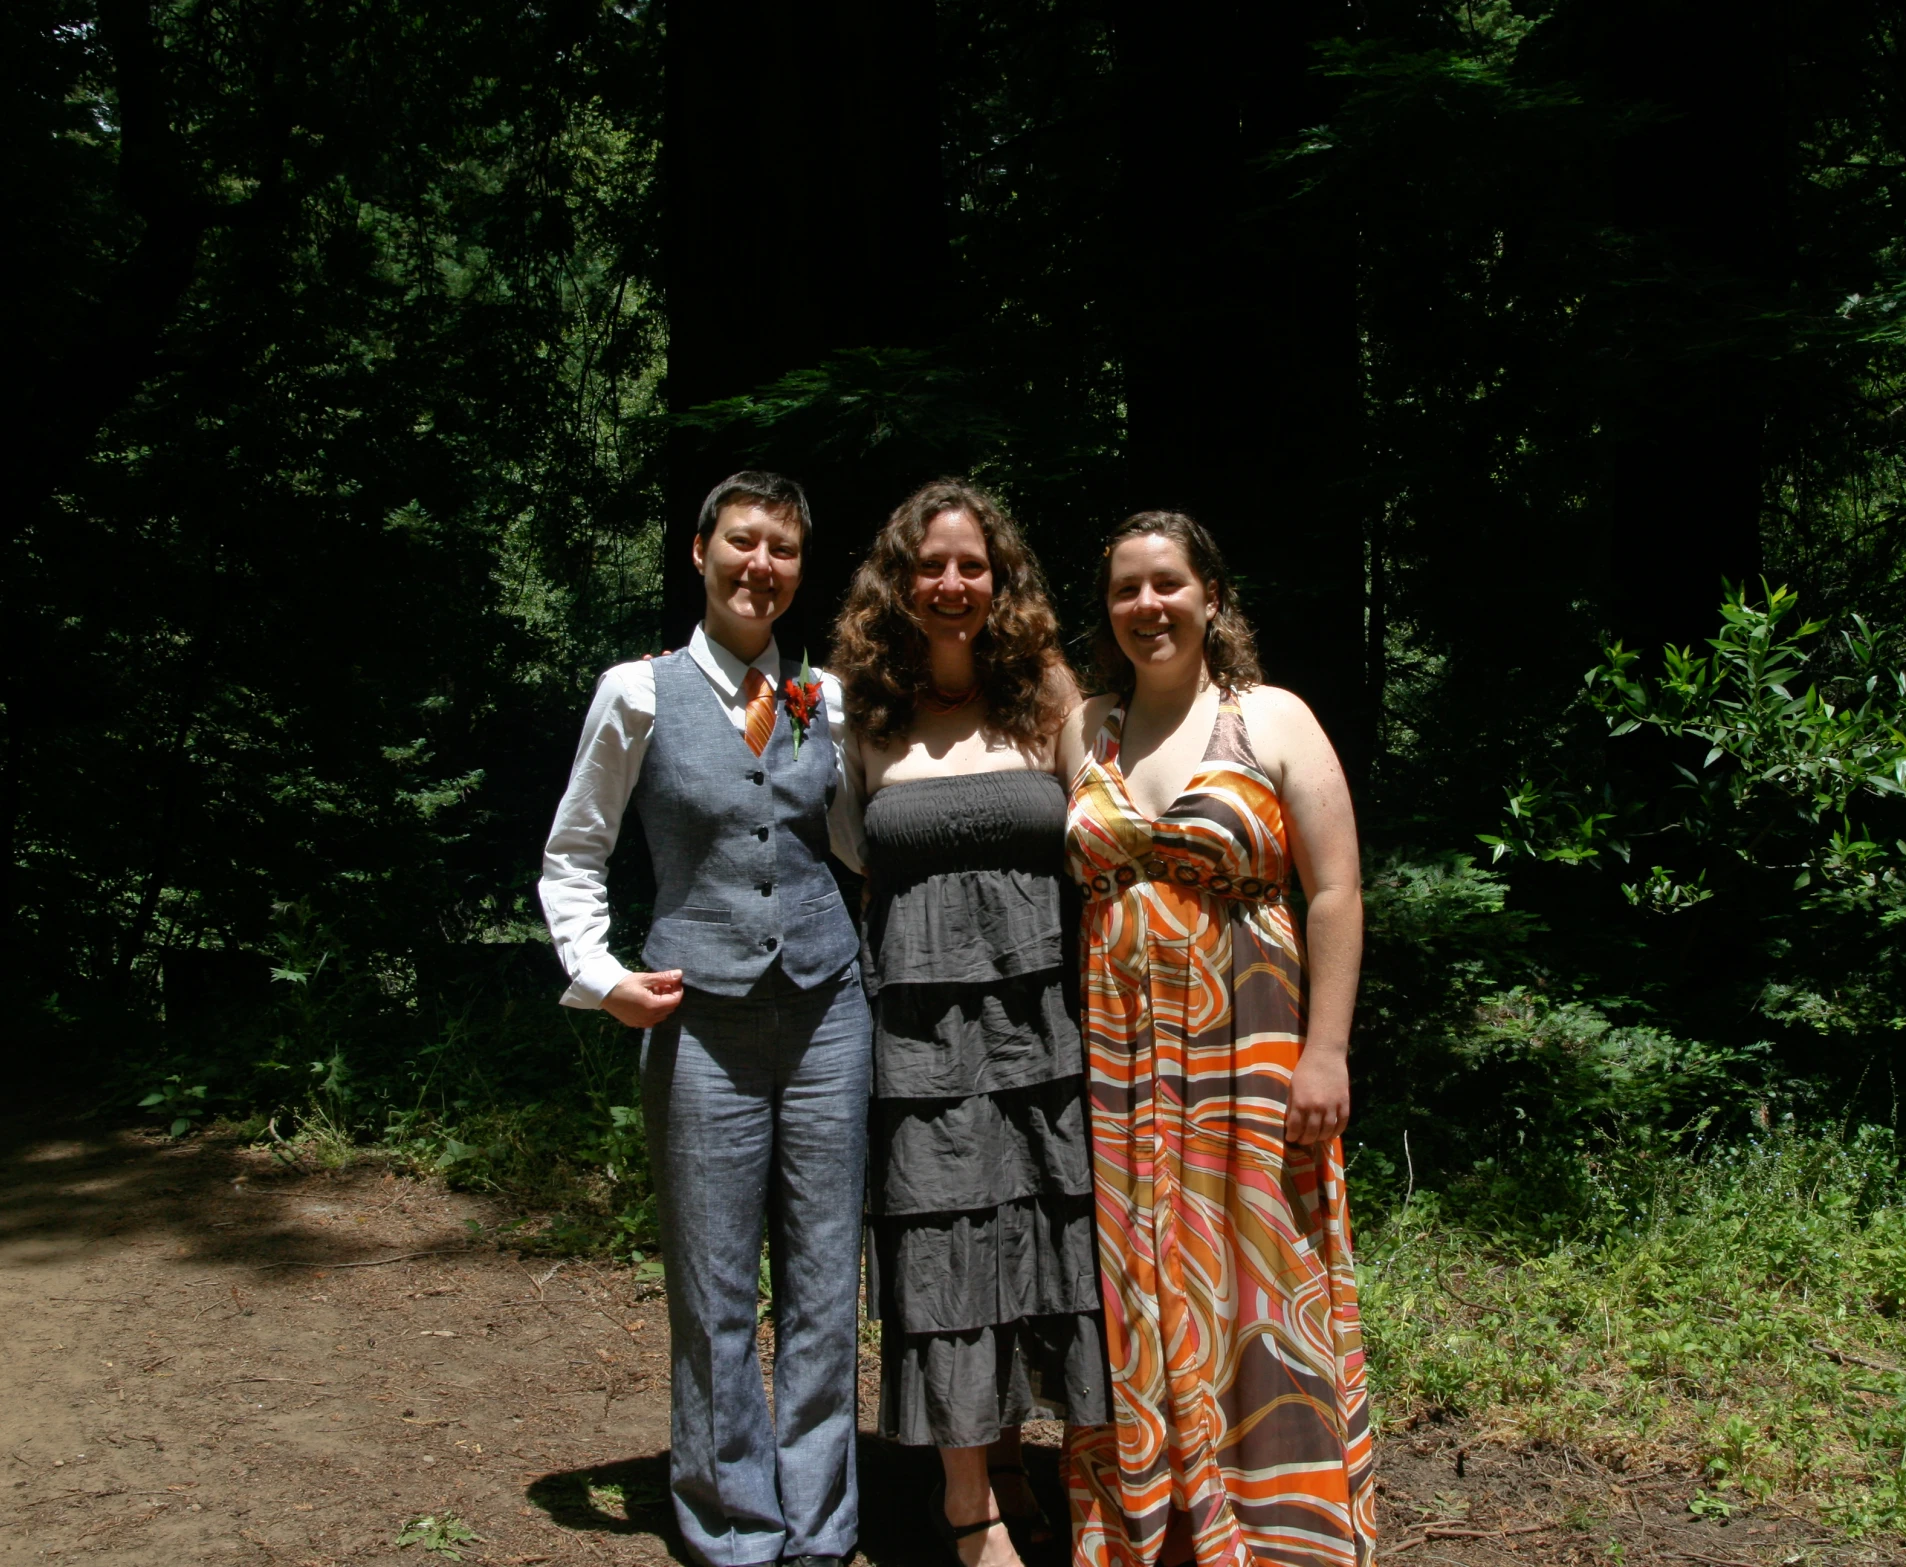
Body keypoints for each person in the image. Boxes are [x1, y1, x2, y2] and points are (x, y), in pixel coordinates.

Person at [538, 470, 869, 1567]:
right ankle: (733, 1526)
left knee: (825, 1282)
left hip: (829, 1014)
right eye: (741, 541)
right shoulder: (637, 691)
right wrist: (602, 975)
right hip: (698, 1024)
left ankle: (819, 1531)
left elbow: (857, 847)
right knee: (715, 1283)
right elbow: (574, 851)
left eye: (781, 548)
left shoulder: (827, 698)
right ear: (698, 551)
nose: (759, 564)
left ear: (797, 570)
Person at [1057, 512, 1376, 1567]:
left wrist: (1325, 1051)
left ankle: (1285, 1533)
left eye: (1167, 584)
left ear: (1210, 597)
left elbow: (1333, 890)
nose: (1147, 606)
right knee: (1135, 1281)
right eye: (1125, 590)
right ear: (1107, 611)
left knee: (1260, 1278)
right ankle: (1162, 1529)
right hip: (1119, 1059)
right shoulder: (1084, 728)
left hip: (1253, 1049)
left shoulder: (1270, 717)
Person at [831, 479, 1106, 1567]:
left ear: (1002, 580)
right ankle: (967, 1506)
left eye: (971, 565)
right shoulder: (866, 708)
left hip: (1046, 1021)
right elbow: (848, 855)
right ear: (897, 583)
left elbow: (1105, 833)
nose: (951, 585)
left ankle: (1018, 1458)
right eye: (929, 566)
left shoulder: (1047, 693)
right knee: (945, 1249)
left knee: (1045, 1239)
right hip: (918, 1033)